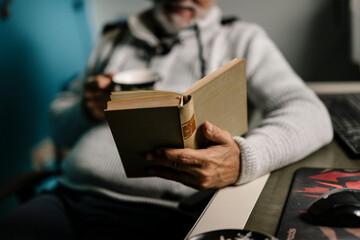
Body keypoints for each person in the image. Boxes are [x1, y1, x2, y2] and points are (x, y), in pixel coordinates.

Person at [0, 0, 333, 239]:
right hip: (68, 197)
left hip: (173, 214)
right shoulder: (113, 38)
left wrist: (244, 158)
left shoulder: (241, 38)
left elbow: (311, 113)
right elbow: (60, 131)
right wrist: (84, 108)